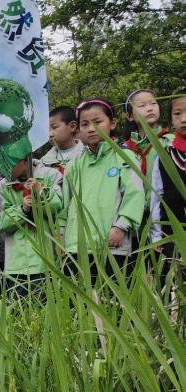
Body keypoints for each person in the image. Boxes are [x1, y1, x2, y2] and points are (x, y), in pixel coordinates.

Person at [60, 97, 145, 276]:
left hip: (113, 243)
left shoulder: (124, 156)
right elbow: (65, 203)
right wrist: (61, 234)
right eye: (85, 124)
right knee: (78, 301)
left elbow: (135, 194)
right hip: (77, 246)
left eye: (97, 122)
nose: (91, 129)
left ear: (112, 123)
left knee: (115, 300)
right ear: (78, 129)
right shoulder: (74, 164)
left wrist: (122, 226)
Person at [0, 157, 63, 296]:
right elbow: (1, 222)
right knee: (19, 313)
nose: (4, 169)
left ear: (25, 160)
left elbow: (58, 207)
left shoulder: (50, 175)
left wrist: (41, 193)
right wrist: (22, 209)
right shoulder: (2, 185)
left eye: (8, 164)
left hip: (46, 260)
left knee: (47, 311)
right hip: (16, 264)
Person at [149, 94, 185, 274]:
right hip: (172, 235)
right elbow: (157, 196)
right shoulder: (164, 156)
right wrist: (156, 235)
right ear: (171, 120)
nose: (183, 119)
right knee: (174, 289)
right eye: (177, 114)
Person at [121, 89, 171, 177]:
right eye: (142, 105)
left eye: (153, 103)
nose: (150, 109)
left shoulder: (170, 142)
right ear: (130, 116)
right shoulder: (125, 149)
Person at [41, 106, 85, 175]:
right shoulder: (43, 162)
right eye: (47, 129)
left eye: (54, 127)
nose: (50, 134)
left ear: (72, 126)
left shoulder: (87, 155)